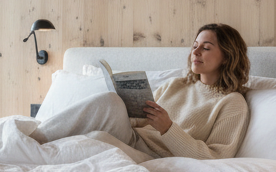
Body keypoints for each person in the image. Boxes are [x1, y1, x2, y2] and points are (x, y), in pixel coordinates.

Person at [33, 23, 251, 162]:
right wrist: (130, 108)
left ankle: (33, 144)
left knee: (94, 140)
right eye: (195, 45)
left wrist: (168, 129)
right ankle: (34, 139)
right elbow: (141, 122)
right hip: (133, 137)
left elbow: (215, 157)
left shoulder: (232, 103)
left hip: (153, 156)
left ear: (228, 56)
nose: (195, 52)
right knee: (110, 103)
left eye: (206, 47)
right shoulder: (177, 85)